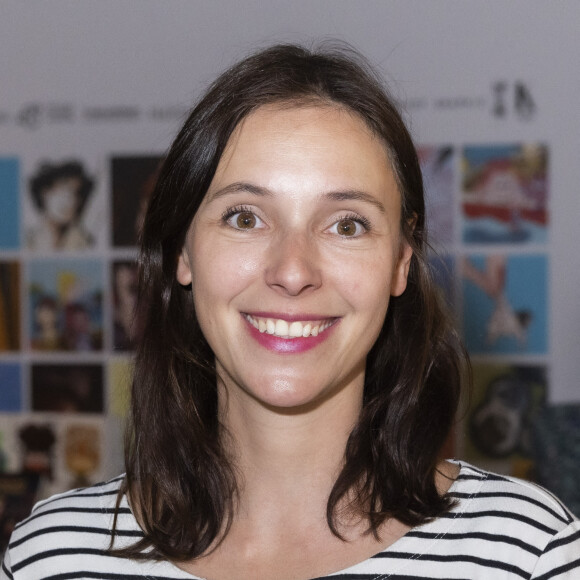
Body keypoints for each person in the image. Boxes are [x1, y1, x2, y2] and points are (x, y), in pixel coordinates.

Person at [3, 43, 579, 580]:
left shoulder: (526, 554)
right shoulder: (53, 557)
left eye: (347, 224)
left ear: (401, 262)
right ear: (183, 250)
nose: (293, 269)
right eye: (245, 217)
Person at [27, 160, 95, 251]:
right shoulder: (27, 241)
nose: (71, 202)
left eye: (76, 194)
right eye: (65, 192)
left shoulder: (85, 242)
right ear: (44, 193)